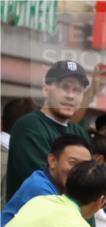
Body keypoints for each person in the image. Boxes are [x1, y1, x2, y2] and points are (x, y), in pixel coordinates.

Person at [5, 61, 92, 200]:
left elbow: (91, 183)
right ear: (46, 90)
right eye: (64, 88)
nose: (70, 96)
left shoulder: (78, 132)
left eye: (77, 90)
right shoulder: (30, 125)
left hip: (73, 218)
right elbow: (45, 184)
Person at [2, 135, 94, 227]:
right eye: (72, 162)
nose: (79, 170)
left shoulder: (55, 184)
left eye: (85, 166)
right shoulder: (40, 188)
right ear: (53, 160)